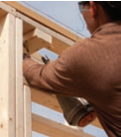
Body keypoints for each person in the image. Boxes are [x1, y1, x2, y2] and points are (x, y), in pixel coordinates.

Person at [23, 1, 121, 137]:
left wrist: (22, 57)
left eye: (82, 9)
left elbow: (39, 76)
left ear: (93, 8)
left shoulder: (87, 54)